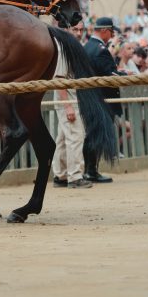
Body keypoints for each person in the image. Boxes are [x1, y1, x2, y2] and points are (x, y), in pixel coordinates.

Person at [82, 17, 124, 183]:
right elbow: (110, 76)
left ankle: (89, 170)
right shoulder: (100, 49)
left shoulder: (88, 47)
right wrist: (125, 75)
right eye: (112, 32)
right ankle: (91, 171)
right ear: (105, 30)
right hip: (102, 98)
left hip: (91, 97)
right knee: (96, 135)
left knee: (92, 134)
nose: (112, 35)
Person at [52, 20, 92, 188]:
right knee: (75, 136)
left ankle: (60, 175)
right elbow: (59, 79)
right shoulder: (63, 48)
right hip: (67, 98)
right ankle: (75, 176)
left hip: (70, 97)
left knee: (63, 138)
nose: (78, 32)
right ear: (67, 29)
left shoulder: (71, 46)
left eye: (81, 29)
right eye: (75, 29)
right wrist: (68, 105)